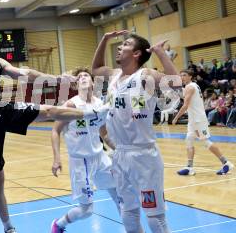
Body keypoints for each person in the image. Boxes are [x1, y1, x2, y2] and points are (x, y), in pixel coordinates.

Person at [0, 0, 107, 233]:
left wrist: (57, 80)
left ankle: (92, 112)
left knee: (50, 110)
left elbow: (25, 73)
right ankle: (7, 226)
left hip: (1, 110)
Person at [92, 30, 177, 233]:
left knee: (155, 218)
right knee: (128, 213)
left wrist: (160, 52)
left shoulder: (145, 76)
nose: (120, 47)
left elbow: (175, 81)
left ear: (137, 53)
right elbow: (95, 69)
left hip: (144, 156)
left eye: (126, 44)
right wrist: (104, 39)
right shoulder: (113, 76)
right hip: (120, 154)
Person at [49, 67, 120, 233]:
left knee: (120, 197)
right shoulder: (71, 104)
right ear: (76, 84)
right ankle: (58, 224)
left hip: (100, 158)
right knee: (86, 211)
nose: (82, 77)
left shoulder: (99, 104)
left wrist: (119, 149)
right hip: (80, 162)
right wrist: (57, 158)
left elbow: (104, 133)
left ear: (93, 82)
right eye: (79, 76)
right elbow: (55, 131)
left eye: (86, 75)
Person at [172, 70, 233, 175]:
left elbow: (185, 105)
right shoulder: (192, 86)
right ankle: (190, 167)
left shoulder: (190, 87)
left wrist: (176, 117)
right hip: (193, 119)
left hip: (198, 119)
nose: (182, 77)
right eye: (181, 75)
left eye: (184, 75)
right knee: (189, 140)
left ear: (190, 77)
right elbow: (185, 96)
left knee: (205, 142)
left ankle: (226, 163)